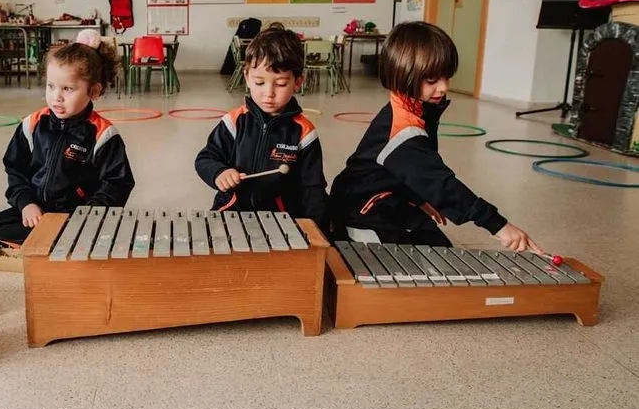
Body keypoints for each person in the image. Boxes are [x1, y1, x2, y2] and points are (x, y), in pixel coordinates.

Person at [329, 21, 542, 252]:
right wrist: (498, 225)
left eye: (446, 78)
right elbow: (440, 183)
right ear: (402, 75)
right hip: (361, 211)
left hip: (391, 198)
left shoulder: (416, 107)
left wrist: (418, 198)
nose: (443, 88)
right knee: (404, 265)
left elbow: (411, 171)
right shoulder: (402, 129)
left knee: (441, 251)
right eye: (432, 80)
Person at [0, 30, 134, 246]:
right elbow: (15, 169)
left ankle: (61, 240)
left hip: (80, 216)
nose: (56, 97)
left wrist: (87, 216)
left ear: (94, 91)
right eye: (51, 86)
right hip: (39, 212)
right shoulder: (32, 124)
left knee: (105, 234)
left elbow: (117, 184)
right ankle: (56, 241)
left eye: (68, 89)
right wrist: (26, 203)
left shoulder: (104, 134)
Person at [195, 28, 329, 232]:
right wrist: (219, 172)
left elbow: (312, 188)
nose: (268, 93)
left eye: (280, 84)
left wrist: (317, 230)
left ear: (297, 82)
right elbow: (206, 158)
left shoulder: (304, 133)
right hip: (232, 211)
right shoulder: (234, 122)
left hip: (281, 220)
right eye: (259, 82)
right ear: (247, 77)